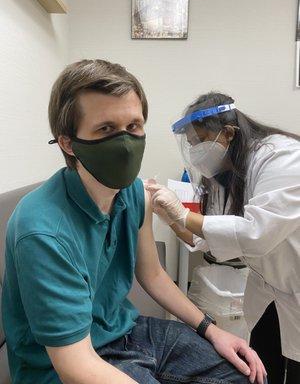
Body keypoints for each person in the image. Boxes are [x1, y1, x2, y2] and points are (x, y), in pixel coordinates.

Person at [2, 63, 266, 384]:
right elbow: (74, 365)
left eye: (133, 125)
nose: (125, 142)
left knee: (243, 374)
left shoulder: (135, 193)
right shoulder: (42, 231)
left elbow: (152, 275)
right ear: (68, 143)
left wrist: (212, 330)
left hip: (124, 330)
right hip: (62, 362)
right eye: (106, 129)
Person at [146, 92, 300, 384]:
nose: (195, 151)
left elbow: (254, 234)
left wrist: (181, 213)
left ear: (228, 133)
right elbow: (212, 237)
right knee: (261, 367)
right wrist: (171, 217)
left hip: (295, 286)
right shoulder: (226, 171)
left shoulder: (282, 157)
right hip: (271, 292)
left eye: (199, 141)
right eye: (190, 144)